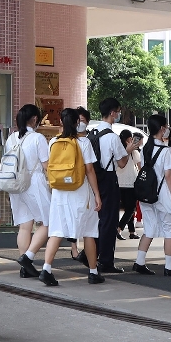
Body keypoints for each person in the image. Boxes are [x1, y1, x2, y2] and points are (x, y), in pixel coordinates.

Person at [37, 108, 104, 287]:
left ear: (61, 122)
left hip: (59, 193)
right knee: (89, 231)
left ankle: (46, 269)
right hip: (80, 192)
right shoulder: (84, 142)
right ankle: (93, 272)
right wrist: (97, 194)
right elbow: (89, 170)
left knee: (57, 231)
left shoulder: (53, 142)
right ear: (77, 122)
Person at [131, 115, 171, 277]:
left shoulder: (146, 148)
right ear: (162, 129)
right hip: (162, 195)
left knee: (149, 228)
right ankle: (169, 267)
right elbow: (168, 176)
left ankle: (139, 262)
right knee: (170, 229)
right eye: (166, 126)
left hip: (147, 194)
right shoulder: (166, 150)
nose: (167, 129)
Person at [87, 99, 136, 274]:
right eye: (118, 111)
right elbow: (122, 163)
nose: (119, 114)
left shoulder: (92, 133)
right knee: (109, 221)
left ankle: (90, 254)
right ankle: (106, 261)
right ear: (113, 113)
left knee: (96, 219)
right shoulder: (112, 137)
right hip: (108, 179)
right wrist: (128, 150)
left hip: (93, 178)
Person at [4, 104, 51, 279]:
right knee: (49, 222)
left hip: (15, 184)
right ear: (35, 119)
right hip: (34, 182)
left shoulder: (11, 138)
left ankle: (25, 268)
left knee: (24, 226)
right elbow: (46, 165)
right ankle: (27, 258)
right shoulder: (38, 138)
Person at [115, 129, 142, 240]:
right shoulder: (130, 152)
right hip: (130, 184)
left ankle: (132, 231)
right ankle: (119, 228)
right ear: (128, 140)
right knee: (130, 209)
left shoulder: (119, 151)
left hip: (119, 183)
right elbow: (140, 167)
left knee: (128, 209)